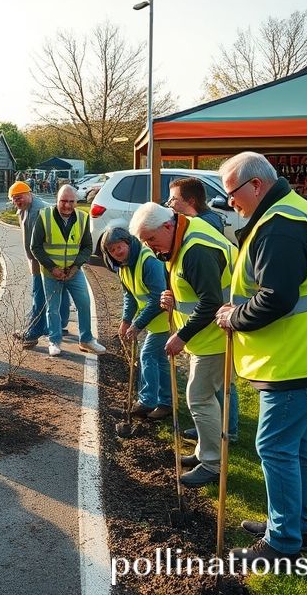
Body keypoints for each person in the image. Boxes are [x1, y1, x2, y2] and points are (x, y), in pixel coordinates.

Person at [214, 152, 307, 563]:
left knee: (275, 446)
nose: (230, 202)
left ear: (256, 185)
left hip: (298, 359)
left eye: (232, 193)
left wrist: (234, 316)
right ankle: (294, 525)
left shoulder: (281, 227)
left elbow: (276, 297)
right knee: (295, 446)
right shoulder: (285, 211)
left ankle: (283, 542)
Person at [129, 201, 237, 487]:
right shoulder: (181, 235)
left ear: (167, 226)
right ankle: (205, 452)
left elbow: (211, 300)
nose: (150, 247)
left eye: (151, 239)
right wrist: (171, 296)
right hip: (208, 335)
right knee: (205, 396)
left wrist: (181, 336)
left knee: (199, 397)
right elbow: (192, 287)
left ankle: (213, 465)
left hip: (217, 334)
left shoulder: (196, 250)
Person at [166, 177, 240, 442]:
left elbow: (208, 293)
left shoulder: (201, 230)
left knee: (216, 388)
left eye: (173, 199)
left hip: (215, 327)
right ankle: (214, 429)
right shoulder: (195, 226)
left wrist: (183, 333)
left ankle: (225, 431)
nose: (170, 205)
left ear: (191, 201)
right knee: (216, 385)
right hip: (209, 329)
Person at [101, 222, 171, 419]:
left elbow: (157, 298)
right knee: (160, 360)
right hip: (152, 321)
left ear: (129, 243)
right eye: (112, 250)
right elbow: (130, 296)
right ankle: (166, 403)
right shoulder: (123, 267)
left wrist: (137, 324)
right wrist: (125, 320)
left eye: (119, 247)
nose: (117, 252)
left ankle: (147, 401)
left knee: (147, 355)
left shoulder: (148, 261)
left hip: (164, 317)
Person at [30, 184, 106, 357]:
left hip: (74, 271)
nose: (67, 205)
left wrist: (76, 265)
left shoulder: (83, 218)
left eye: (71, 201)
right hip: (51, 272)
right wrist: (51, 267)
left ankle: (86, 339)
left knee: (84, 303)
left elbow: (87, 247)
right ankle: (54, 340)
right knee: (53, 308)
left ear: (77, 202)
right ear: (56, 200)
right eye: (63, 201)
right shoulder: (44, 216)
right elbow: (35, 247)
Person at [7, 180, 71, 349]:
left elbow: (39, 244)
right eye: (13, 199)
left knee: (39, 295)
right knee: (58, 293)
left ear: (29, 194)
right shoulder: (26, 209)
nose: (16, 202)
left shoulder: (38, 212)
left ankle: (33, 333)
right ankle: (59, 325)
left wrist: (41, 265)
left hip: (45, 261)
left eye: (19, 197)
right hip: (46, 260)